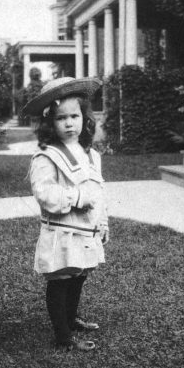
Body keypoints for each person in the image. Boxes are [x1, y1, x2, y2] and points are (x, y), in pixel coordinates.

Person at [22, 77, 109, 352]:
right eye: (61, 118)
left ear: (85, 118)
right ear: (50, 122)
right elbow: (45, 195)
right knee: (60, 280)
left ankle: (71, 319)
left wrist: (103, 221)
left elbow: (98, 192)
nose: (69, 123)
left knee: (79, 275)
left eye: (75, 116)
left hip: (86, 230)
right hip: (62, 231)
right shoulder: (47, 157)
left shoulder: (91, 154)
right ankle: (63, 336)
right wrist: (76, 198)